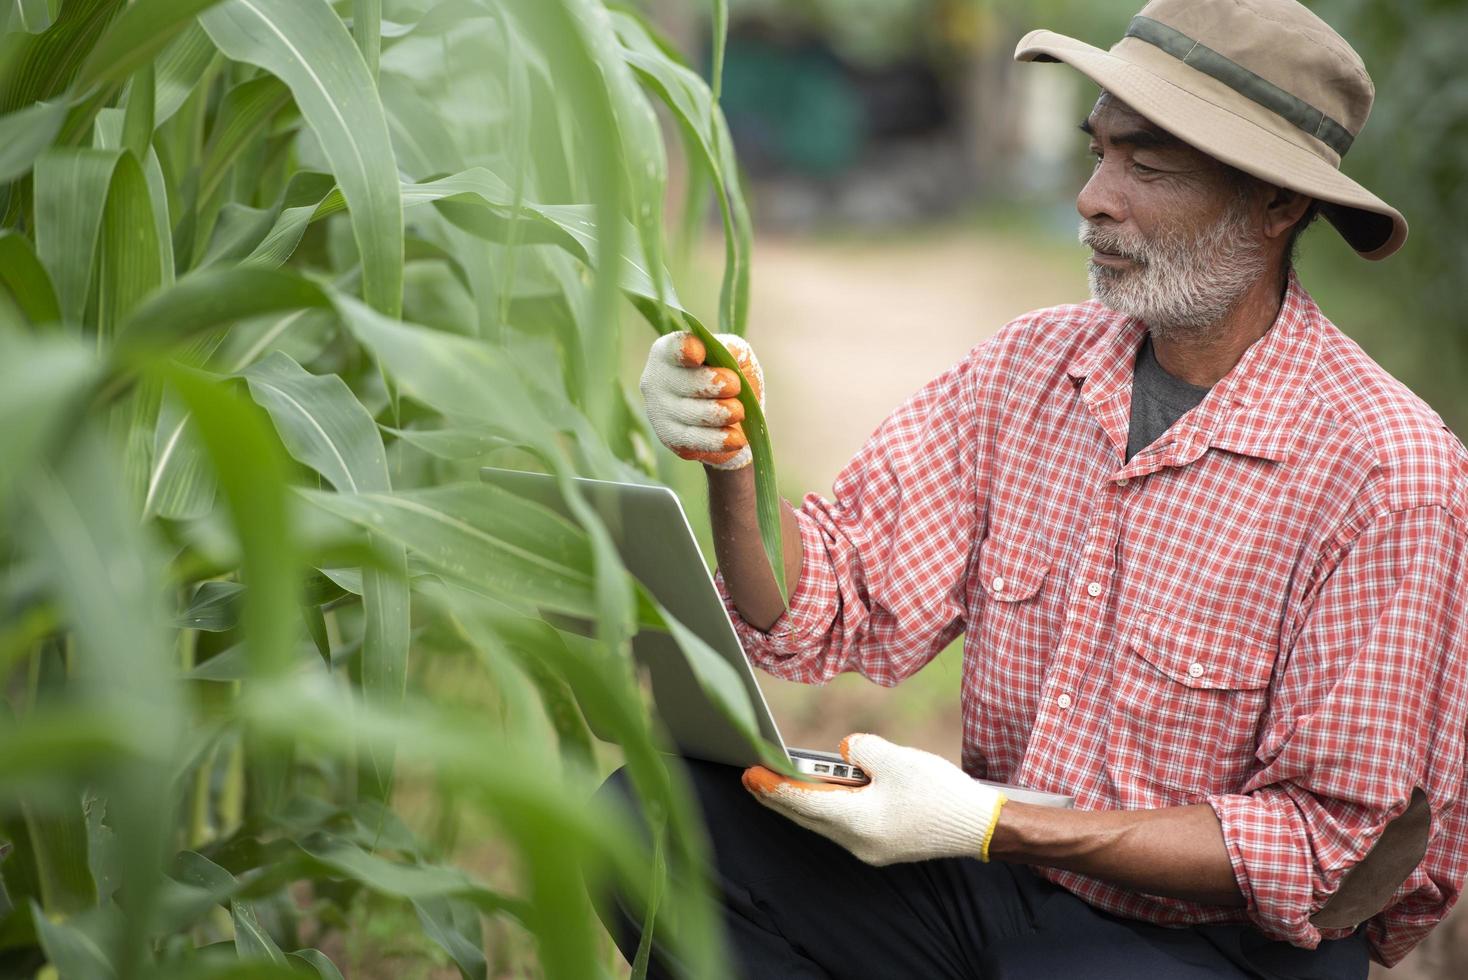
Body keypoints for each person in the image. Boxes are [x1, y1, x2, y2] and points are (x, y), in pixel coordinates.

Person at [616, 0, 1467, 976]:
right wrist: (734, 453)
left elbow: (1320, 846)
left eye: (1146, 167)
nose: (1093, 197)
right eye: (1097, 152)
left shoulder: (1390, 472)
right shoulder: (1027, 370)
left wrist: (988, 820)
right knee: (644, 819)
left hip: (1213, 945)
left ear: (1276, 205)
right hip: (999, 884)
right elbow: (829, 596)